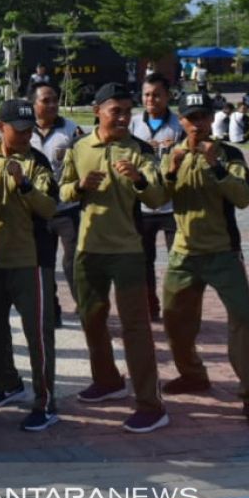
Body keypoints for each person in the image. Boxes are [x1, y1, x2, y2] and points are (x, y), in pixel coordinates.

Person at [60, 82, 169, 433]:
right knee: (91, 319)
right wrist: (79, 187)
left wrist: (138, 178)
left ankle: (151, 404)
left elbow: (156, 197)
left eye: (127, 111)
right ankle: (107, 381)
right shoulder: (79, 148)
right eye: (115, 111)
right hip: (88, 250)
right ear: (97, 111)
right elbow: (61, 190)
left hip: (128, 252)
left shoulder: (138, 150)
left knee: (136, 328)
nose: (123, 117)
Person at [160, 92, 249, 428]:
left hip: (223, 254)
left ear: (211, 119)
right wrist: (171, 169)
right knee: (175, 322)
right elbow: (156, 197)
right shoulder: (170, 154)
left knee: (242, 323)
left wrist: (215, 164)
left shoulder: (229, 154)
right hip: (182, 254)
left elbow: (243, 197)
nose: (198, 124)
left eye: (203, 117)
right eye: (191, 118)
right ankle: (192, 374)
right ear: (181, 121)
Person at [0, 99, 60, 432]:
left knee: (38, 336)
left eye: (30, 129)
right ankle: (9, 383)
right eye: (20, 129)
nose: (27, 134)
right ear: (1, 127)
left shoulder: (37, 162)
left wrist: (24, 183)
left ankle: (45, 401)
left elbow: (49, 208)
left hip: (30, 261)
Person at [29, 82, 84, 325]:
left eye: (54, 100)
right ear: (33, 104)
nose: (52, 105)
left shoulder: (71, 130)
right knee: (44, 262)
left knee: (73, 261)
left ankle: (84, 307)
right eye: (45, 101)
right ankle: (51, 310)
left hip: (67, 208)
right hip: (38, 209)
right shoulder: (23, 131)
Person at [130, 73, 182, 322]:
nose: (151, 99)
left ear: (167, 96)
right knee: (143, 261)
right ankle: (150, 306)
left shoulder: (179, 125)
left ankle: (177, 307)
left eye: (157, 94)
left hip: (173, 205)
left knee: (178, 261)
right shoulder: (132, 124)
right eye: (147, 94)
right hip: (142, 206)